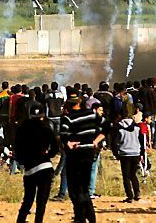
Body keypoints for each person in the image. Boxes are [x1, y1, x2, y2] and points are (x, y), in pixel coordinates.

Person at [60, 94, 104, 223]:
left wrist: (68, 144)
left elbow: (63, 137)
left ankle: (80, 217)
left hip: (75, 156)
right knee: (84, 189)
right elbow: (106, 126)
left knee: (74, 189)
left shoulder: (67, 118)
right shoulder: (91, 115)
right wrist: (95, 141)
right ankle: (91, 217)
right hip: (89, 154)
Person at [14, 101, 60, 223]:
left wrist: (23, 161)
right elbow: (56, 146)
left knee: (28, 200)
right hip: (45, 167)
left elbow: (17, 150)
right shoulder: (46, 128)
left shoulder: (21, 129)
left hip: (30, 170)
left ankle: (20, 220)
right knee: (41, 202)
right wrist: (48, 154)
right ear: (43, 114)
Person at [112, 108, 143, 203]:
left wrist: (116, 154)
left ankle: (129, 196)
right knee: (133, 174)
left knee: (126, 176)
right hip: (136, 152)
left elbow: (114, 142)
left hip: (124, 153)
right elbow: (141, 140)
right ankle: (137, 193)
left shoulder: (118, 127)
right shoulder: (137, 127)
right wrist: (142, 152)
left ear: (120, 116)